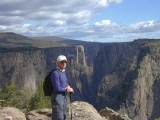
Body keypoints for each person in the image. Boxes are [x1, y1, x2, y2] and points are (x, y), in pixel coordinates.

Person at [51, 55, 74, 120]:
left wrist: (69, 87)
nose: (64, 63)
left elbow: (65, 83)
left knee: (63, 116)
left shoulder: (62, 72)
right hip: (57, 97)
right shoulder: (55, 73)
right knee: (59, 117)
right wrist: (66, 89)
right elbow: (57, 88)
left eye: (65, 62)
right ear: (57, 63)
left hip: (63, 97)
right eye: (62, 62)